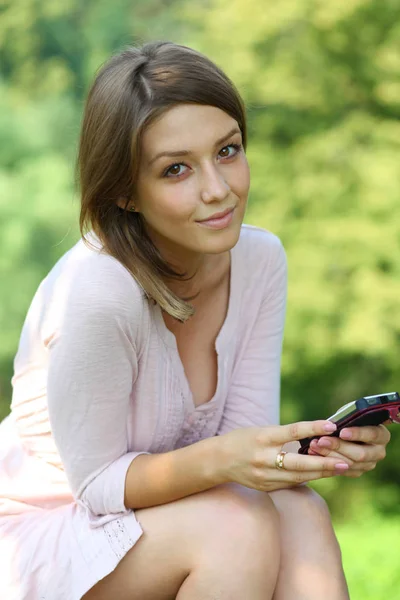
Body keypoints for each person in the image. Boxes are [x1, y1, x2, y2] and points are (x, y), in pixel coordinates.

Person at [0, 40, 391, 600]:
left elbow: (242, 445)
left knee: (299, 512)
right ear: (126, 194)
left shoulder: (260, 261)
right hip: (42, 533)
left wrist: (315, 453)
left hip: (171, 519)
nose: (218, 189)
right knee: (233, 527)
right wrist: (225, 460)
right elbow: (97, 486)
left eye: (228, 151)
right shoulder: (99, 289)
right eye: (176, 169)